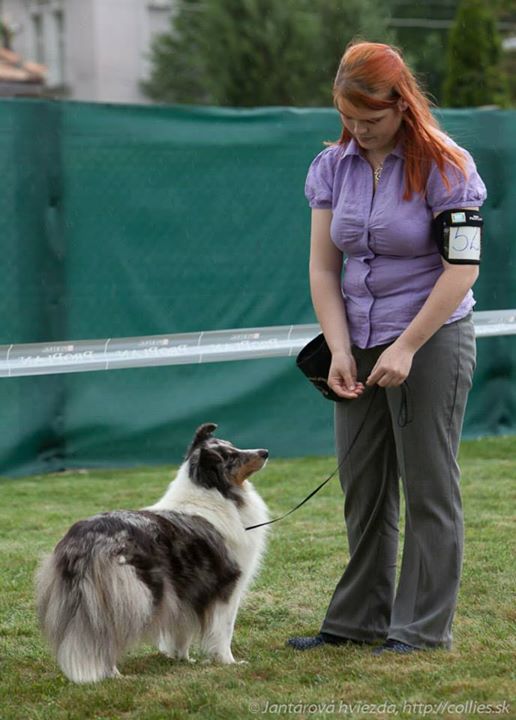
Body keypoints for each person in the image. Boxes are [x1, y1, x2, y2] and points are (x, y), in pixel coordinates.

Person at [287, 41, 487, 655]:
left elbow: (462, 272)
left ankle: (421, 630)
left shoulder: (449, 165)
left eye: (370, 120)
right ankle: (357, 622)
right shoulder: (331, 167)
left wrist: (405, 347)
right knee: (363, 486)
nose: (358, 131)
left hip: (431, 338)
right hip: (359, 341)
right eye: (348, 119)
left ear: (402, 106)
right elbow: (324, 269)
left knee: (429, 486)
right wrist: (341, 349)